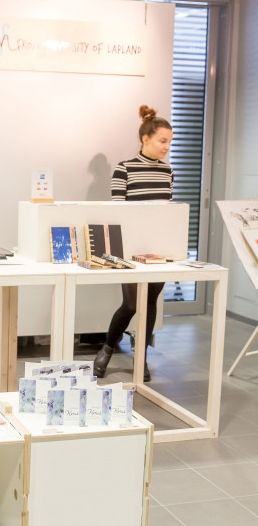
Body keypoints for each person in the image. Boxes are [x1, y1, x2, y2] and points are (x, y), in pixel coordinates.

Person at [93, 105, 173, 383]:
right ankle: (106, 349)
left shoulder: (168, 171)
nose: (166, 147)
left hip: (158, 249)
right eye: (163, 141)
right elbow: (118, 212)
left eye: (169, 142)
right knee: (130, 305)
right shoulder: (124, 168)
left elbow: (168, 211)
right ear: (145, 139)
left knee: (150, 302)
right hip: (129, 250)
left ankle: (142, 358)